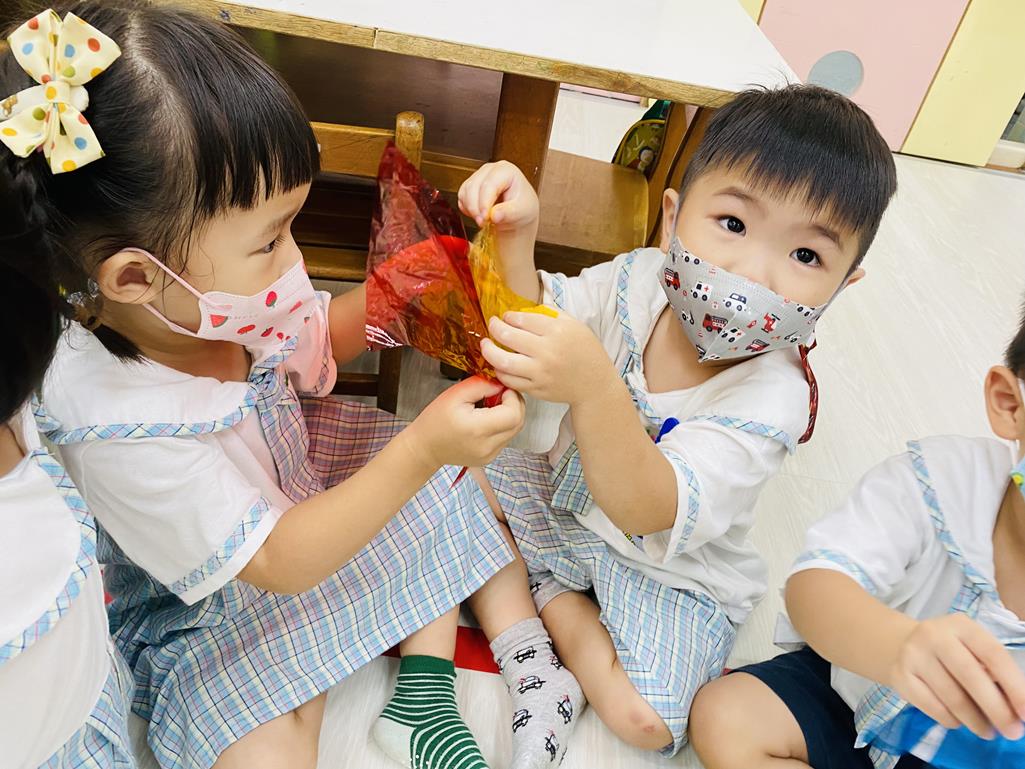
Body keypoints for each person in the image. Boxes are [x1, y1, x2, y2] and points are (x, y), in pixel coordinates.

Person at [4, 4, 528, 769]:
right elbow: (281, 562)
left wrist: (396, 292)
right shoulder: (116, 426)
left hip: (299, 488)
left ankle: (422, 693)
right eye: (270, 239)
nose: (294, 261)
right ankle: (350, 673)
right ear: (136, 278)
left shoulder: (206, 303)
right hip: (212, 602)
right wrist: (421, 447)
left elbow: (316, 334)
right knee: (265, 749)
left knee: (461, 483)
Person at [455, 83, 898, 756]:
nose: (753, 273)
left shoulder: (773, 400)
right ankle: (533, 663)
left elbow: (647, 508)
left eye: (806, 256)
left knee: (648, 719)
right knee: (449, 476)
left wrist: (593, 386)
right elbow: (527, 324)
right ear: (672, 218)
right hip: (564, 503)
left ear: (842, 287)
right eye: (732, 224)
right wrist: (516, 239)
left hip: (668, 570)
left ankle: (542, 595)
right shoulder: (638, 278)